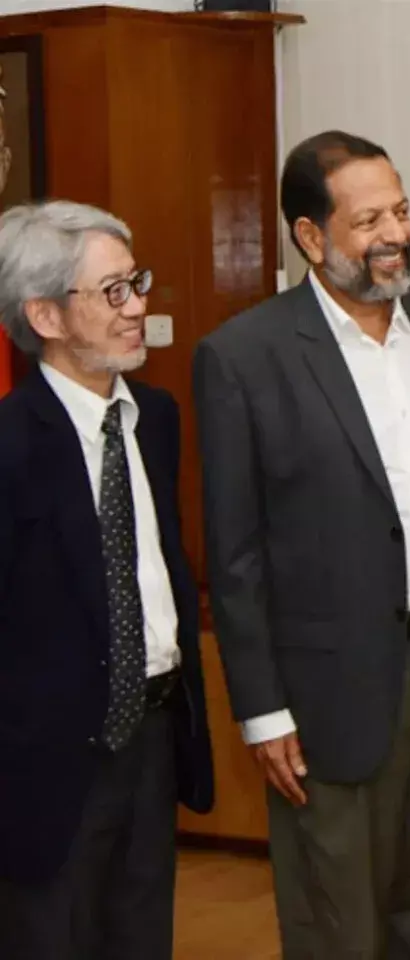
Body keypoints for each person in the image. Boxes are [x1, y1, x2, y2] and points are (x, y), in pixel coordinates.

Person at [193, 130, 410, 959]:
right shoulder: (243, 357)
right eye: (369, 220)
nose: (396, 234)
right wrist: (262, 712)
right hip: (324, 695)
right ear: (311, 236)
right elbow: (235, 555)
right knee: (339, 926)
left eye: (401, 211)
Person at [0, 200, 214, 959]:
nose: (137, 307)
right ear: (46, 316)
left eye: (137, 283)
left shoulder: (154, 417)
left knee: (140, 936)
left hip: (151, 736)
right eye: (113, 291)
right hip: (48, 762)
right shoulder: (11, 443)